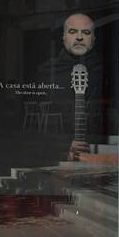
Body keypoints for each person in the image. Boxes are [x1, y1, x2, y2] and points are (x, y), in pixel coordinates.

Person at [37, 13, 105, 162]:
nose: (79, 37)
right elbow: (35, 124)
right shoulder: (47, 71)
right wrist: (63, 144)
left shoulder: (106, 71)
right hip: (55, 156)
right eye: (72, 31)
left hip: (97, 151)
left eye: (86, 32)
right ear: (64, 37)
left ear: (93, 38)